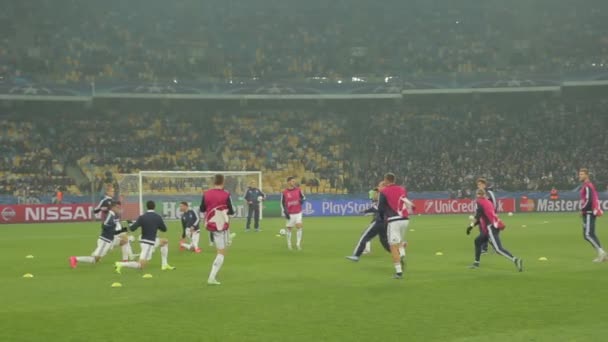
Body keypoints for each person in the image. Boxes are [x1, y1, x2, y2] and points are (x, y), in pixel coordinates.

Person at [467, 189, 523, 271]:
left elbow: (478, 217)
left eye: (479, 194)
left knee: (498, 249)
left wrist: (471, 226)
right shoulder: (488, 202)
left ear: (483, 195)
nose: (478, 195)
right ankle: (476, 263)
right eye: (478, 194)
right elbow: (483, 216)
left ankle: (515, 260)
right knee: (477, 241)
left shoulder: (480, 202)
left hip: (491, 228)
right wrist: (472, 226)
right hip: (491, 227)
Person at [114, 200, 175, 273]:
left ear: (147, 207)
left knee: (164, 242)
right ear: (154, 207)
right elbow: (164, 229)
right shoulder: (157, 217)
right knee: (141, 265)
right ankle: (121, 264)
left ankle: (164, 264)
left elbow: (132, 229)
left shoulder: (142, 217)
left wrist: (130, 223)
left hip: (145, 241)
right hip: (149, 243)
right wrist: (158, 224)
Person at [200, 174, 235, 285]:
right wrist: (224, 211)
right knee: (221, 252)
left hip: (210, 223)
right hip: (221, 223)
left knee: (220, 250)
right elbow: (232, 211)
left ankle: (212, 276)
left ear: (214, 182)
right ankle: (212, 277)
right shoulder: (226, 194)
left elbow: (202, 208)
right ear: (223, 182)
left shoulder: (206, 194)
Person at [378, 173, 413, 279]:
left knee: (393, 246)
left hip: (394, 220)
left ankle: (398, 272)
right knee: (400, 241)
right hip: (405, 219)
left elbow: (381, 208)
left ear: (386, 180)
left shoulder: (384, 191)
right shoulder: (402, 189)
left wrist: (381, 218)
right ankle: (402, 254)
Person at [69, 201, 125, 268]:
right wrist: (112, 229)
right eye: (117, 207)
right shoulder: (110, 215)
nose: (118, 209)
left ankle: (125, 260)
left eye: (119, 208)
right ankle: (75, 259)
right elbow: (104, 225)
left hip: (108, 240)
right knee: (95, 259)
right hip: (105, 240)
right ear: (112, 207)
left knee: (124, 241)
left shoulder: (112, 215)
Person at [346, 182, 391, 262]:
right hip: (385, 222)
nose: (377, 190)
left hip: (379, 221)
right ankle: (397, 253)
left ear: (384, 186)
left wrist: (365, 211)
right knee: (384, 241)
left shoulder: (382, 196)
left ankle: (356, 255)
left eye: (379, 186)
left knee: (364, 236)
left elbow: (376, 209)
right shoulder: (388, 196)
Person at [93, 186, 134, 261]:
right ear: (107, 192)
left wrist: (121, 199)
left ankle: (126, 259)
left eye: (113, 191)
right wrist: (104, 211)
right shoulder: (104, 201)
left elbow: (116, 206)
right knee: (122, 239)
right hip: (112, 224)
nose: (113, 192)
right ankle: (97, 255)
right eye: (112, 191)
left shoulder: (112, 200)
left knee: (125, 239)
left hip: (117, 223)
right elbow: (96, 210)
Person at [578, 168, 606, 262]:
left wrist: (582, 210)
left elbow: (589, 200)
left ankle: (601, 253)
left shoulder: (587, 186)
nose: (580, 176)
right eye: (580, 174)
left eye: (582, 174)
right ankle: (602, 254)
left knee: (588, 234)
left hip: (589, 213)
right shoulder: (587, 185)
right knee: (590, 234)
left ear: (587, 175)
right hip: (588, 213)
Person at [281, 176, 306, 250]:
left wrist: (302, 201)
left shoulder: (298, 190)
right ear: (288, 182)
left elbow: (303, 198)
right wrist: (285, 212)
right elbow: (283, 203)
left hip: (298, 212)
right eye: (292, 181)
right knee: (289, 229)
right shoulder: (285, 192)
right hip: (290, 213)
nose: (294, 182)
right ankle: (289, 243)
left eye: (294, 181)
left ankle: (298, 244)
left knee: (299, 226)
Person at [476, 178, 497, 254]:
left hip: (489, 216)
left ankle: (486, 248)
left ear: (484, 185)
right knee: (483, 232)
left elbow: (494, 203)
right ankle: (486, 248)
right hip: (482, 217)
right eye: (478, 184)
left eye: (480, 184)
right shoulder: (480, 193)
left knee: (486, 232)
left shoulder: (489, 193)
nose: (479, 186)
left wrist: (493, 214)